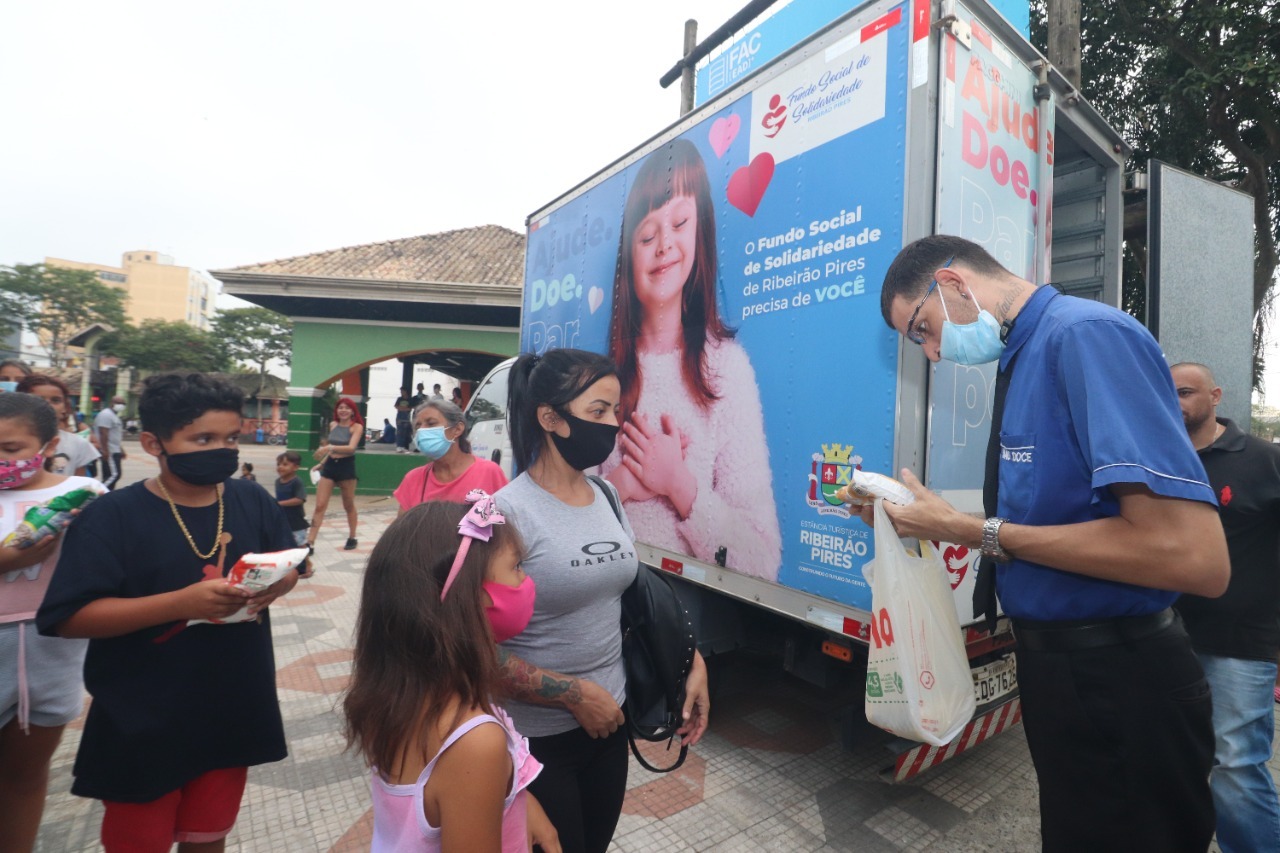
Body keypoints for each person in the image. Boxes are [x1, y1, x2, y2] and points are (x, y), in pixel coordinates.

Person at [868, 234, 1229, 851]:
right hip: (1063, 675)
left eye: (921, 329)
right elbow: (1050, 524)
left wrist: (969, 531)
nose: (930, 353)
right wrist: (920, 520)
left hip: (1122, 679)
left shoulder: (1084, 337)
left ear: (952, 284)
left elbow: (1194, 557)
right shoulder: (1025, 355)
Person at [35, 372, 303, 853]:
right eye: (203, 439)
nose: (222, 450)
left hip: (232, 701)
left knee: (209, 834)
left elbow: (288, 565)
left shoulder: (249, 498)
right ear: (156, 443)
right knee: (140, 836)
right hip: (142, 712)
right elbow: (69, 617)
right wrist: (180, 604)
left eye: (230, 438)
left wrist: (273, 587)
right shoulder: (112, 516)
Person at [496, 348, 710, 853]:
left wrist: (691, 661)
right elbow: (471, 650)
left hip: (611, 722)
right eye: (598, 412)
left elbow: (632, 600)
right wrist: (572, 695)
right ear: (550, 418)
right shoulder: (505, 514)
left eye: (616, 411)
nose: (613, 425)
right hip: (535, 741)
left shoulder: (607, 496)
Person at [601, 137, 781, 581]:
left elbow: (761, 559)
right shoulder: (601, 377)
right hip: (608, 609)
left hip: (695, 620)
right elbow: (566, 517)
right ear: (629, 254)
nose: (664, 244)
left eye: (679, 222)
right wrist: (622, 485)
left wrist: (675, 482)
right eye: (647, 233)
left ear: (700, 233)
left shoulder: (726, 368)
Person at [344, 496, 559, 853]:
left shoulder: (399, 695)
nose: (526, 579)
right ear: (469, 597)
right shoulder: (473, 741)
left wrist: (516, 802)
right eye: (517, 566)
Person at [1171, 362, 1280, 853]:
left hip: (1240, 644)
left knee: (1235, 766)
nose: (1174, 401)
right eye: (1164, 392)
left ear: (1215, 395)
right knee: (1176, 759)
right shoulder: (1158, 460)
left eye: (1185, 392)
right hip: (1164, 640)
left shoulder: (1264, 461)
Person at [0, 393, 105, 852]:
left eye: (11, 448)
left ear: (50, 443)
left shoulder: (82, 496)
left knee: (25, 777)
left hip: (52, 656)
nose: (1, 460)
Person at [393, 399, 506, 516]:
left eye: (431, 423)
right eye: (418, 426)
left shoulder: (488, 472)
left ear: (457, 429)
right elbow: (403, 532)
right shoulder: (413, 479)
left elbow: (506, 527)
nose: (422, 430)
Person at [17, 374, 100, 476]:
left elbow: (78, 485)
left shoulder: (78, 444)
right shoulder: (7, 441)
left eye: (56, 400)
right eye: (38, 399)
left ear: (65, 407)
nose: (48, 405)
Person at [309, 397, 363, 550]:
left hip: (346, 468)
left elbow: (351, 448)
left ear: (352, 411)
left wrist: (328, 447)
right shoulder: (333, 425)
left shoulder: (356, 427)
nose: (343, 410)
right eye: (340, 407)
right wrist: (321, 464)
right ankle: (310, 542)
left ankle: (352, 536)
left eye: (347, 408)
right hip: (330, 467)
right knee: (320, 505)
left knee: (348, 504)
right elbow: (332, 451)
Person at [275, 451, 310, 548]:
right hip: (283, 520)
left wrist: (279, 503)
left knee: (299, 544)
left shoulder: (297, 482)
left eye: (285, 464)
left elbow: (300, 499)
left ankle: (306, 562)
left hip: (296, 522)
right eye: (278, 464)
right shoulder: (278, 482)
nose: (280, 467)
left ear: (296, 467)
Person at [94, 395, 126, 490]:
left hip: (114, 449)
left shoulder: (113, 416)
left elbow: (114, 435)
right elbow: (103, 433)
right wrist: (105, 450)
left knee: (109, 475)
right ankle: (96, 493)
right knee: (114, 475)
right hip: (109, 450)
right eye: (119, 403)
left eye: (123, 404)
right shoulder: (106, 414)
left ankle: (107, 494)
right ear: (112, 403)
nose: (121, 405)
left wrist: (121, 449)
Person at [394, 388, 413, 454]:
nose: (401, 392)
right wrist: (403, 409)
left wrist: (403, 408)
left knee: (405, 433)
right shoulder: (399, 399)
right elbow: (396, 406)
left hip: (406, 418)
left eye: (402, 391)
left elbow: (410, 408)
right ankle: (398, 446)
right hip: (399, 417)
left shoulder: (409, 399)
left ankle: (403, 447)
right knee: (399, 432)